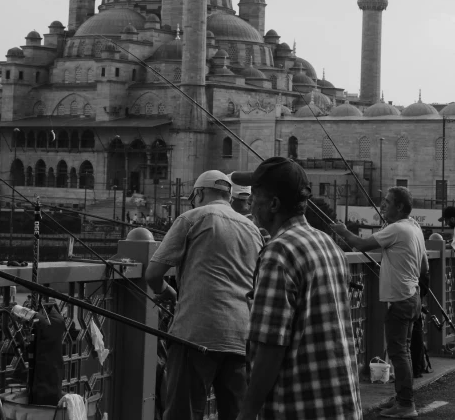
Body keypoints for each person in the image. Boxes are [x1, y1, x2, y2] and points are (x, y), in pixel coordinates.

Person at [235, 157, 362, 420]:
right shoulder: (326, 242)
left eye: (255, 196)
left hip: (300, 405)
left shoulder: (279, 252)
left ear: (273, 204)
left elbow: (270, 346)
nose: (250, 204)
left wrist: (246, 412)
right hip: (341, 403)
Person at [145, 169, 263, 420]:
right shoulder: (253, 230)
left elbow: (153, 274)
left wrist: (167, 292)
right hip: (242, 335)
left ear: (198, 193)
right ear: (229, 197)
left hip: (195, 334)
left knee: (183, 413)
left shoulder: (192, 218)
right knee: (238, 414)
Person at [333, 186, 427, 419]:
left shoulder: (396, 229)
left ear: (399, 207)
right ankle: (403, 399)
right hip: (412, 295)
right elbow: (424, 266)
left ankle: (406, 405)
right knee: (402, 351)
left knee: (399, 354)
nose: (383, 205)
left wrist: (342, 231)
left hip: (400, 299)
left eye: (387, 202)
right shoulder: (414, 227)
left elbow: (361, 244)